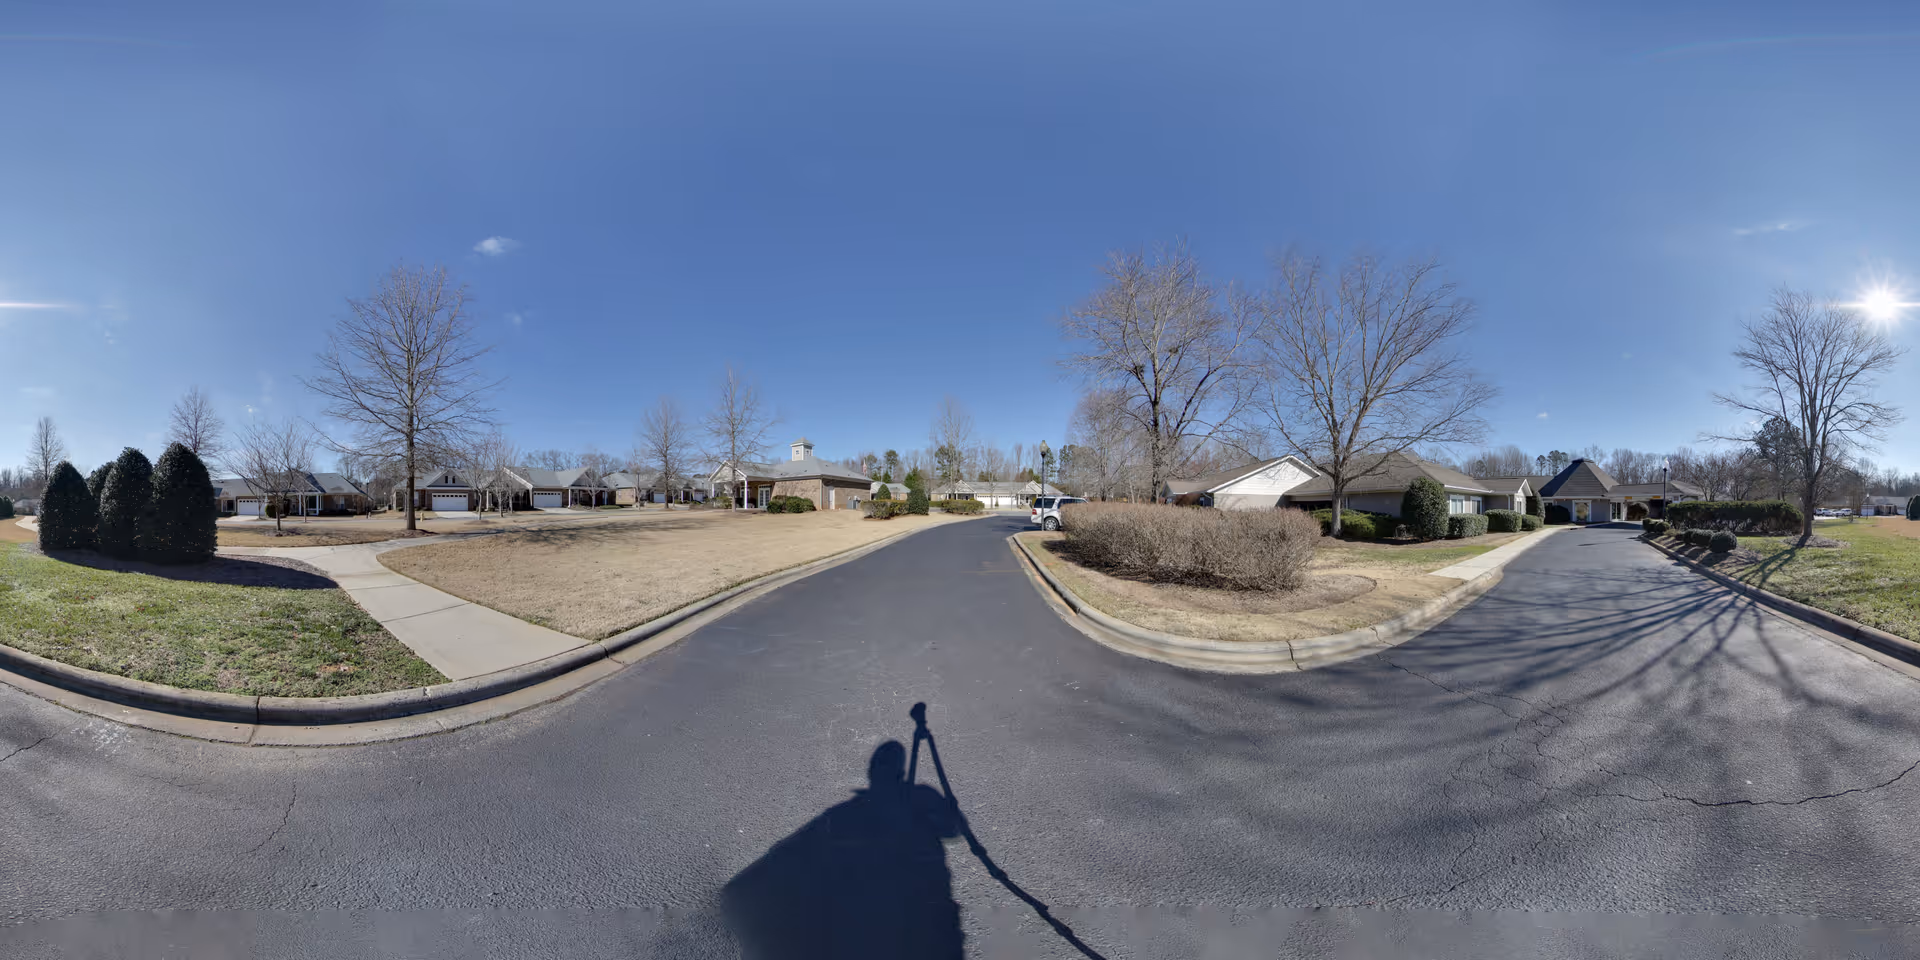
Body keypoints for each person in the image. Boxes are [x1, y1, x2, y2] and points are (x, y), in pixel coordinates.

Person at [722, 741, 963, 959]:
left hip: (917, 926)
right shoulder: (854, 812)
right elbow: (792, 851)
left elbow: (953, 828)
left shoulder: (908, 801)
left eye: (882, 765)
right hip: (907, 929)